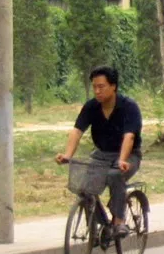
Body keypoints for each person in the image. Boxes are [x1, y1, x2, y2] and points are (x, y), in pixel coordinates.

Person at [55, 65, 143, 237]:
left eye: (101, 86)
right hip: (101, 155)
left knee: (115, 175)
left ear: (113, 86)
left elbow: (129, 137)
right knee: (85, 188)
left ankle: (118, 223)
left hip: (129, 155)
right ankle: (101, 226)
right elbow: (77, 131)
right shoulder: (91, 107)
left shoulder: (129, 107)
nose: (97, 91)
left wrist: (123, 160)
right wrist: (67, 155)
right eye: (94, 87)